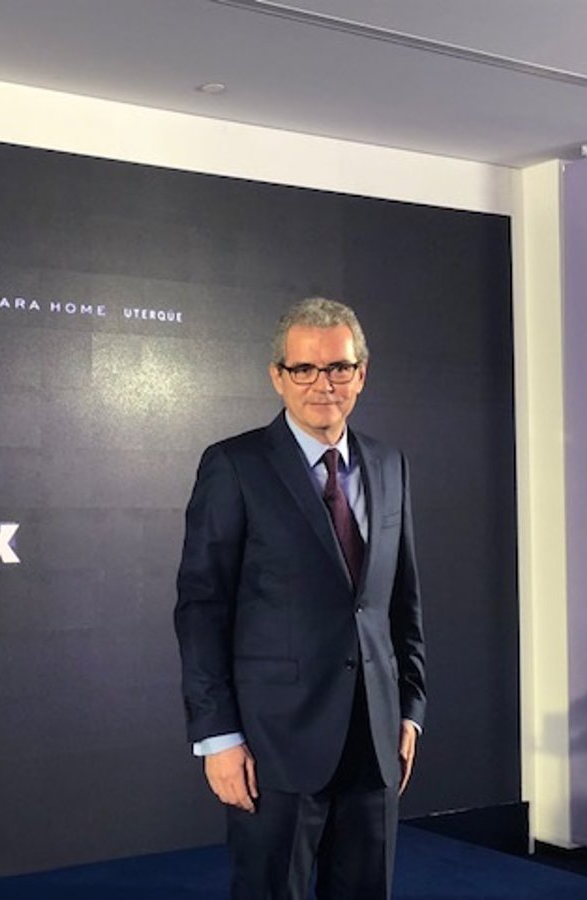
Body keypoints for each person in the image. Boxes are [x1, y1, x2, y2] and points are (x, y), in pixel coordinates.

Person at [174, 297, 426, 900]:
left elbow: (401, 600)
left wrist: (410, 708)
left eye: (338, 367)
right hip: (273, 747)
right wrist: (218, 736)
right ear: (277, 376)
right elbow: (202, 607)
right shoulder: (234, 466)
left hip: (374, 742)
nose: (323, 384)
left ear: (361, 374)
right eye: (304, 369)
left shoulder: (390, 465)